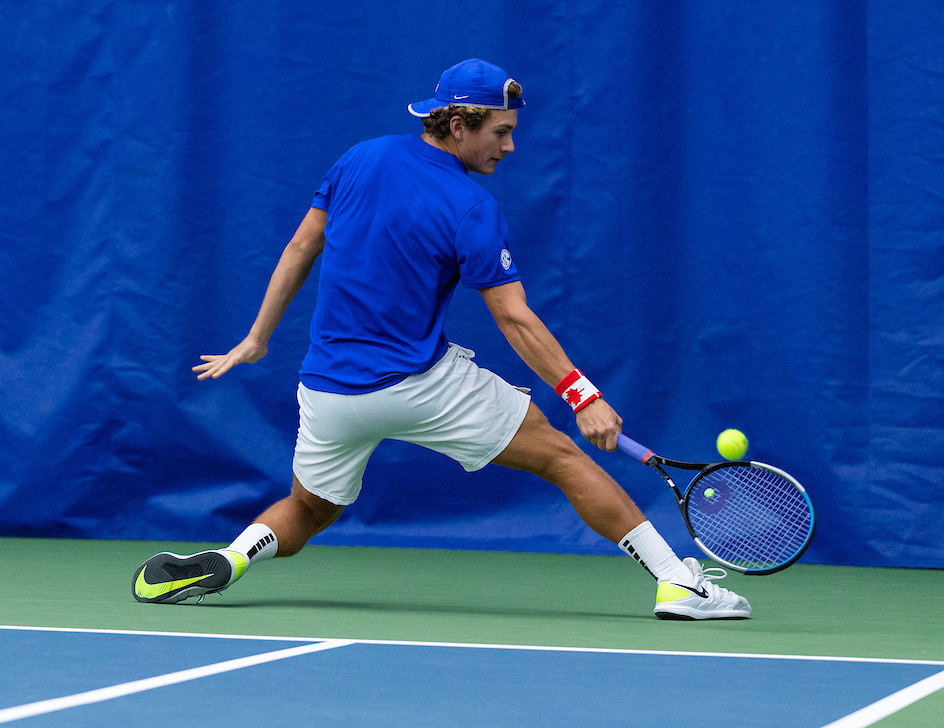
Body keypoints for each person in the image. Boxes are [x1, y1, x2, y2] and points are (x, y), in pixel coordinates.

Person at [132, 59, 750, 620]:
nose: (509, 146)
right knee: (562, 457)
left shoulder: (358, 158)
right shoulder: (471, 207)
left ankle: (230, 559)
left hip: (327, 393)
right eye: (499, 132)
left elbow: (301, 247)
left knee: (310, 509)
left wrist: (257, 337)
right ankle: (680, 585)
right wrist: (582, 396)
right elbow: (515, 320)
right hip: (419, 385)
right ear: (457, 124)